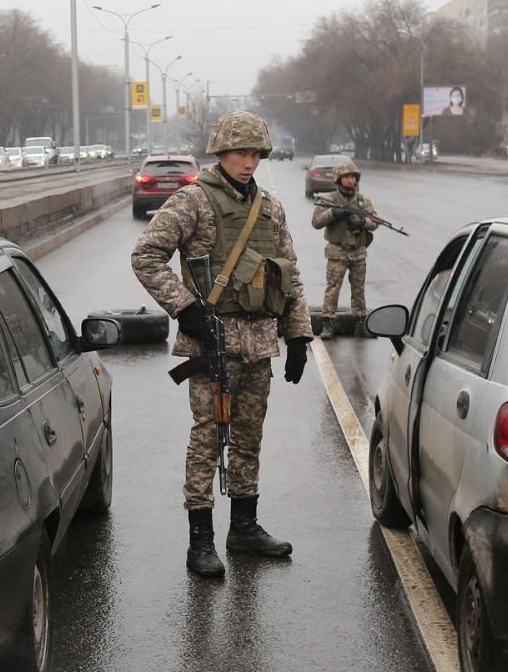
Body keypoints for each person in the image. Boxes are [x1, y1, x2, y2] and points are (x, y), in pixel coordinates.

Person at [131, 110, 313, 578]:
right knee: (207, 440)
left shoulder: (270, 207)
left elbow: (288, 273)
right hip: (210, 342)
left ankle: (245, 528)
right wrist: (185, 308)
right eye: (239, 153)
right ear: (221, 153)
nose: (248, 162)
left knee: (249, 439)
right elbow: (146, 256)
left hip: (258, 344)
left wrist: (297, 335)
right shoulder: (192, 201)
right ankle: (200, 541)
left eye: (254, 153)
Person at [310, 160, 379, 340]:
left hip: (358, 251)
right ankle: (328, 323)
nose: (350, 181)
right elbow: (316, 222)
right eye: (346, 177)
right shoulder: (329, 200)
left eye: (353, 177)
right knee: (333, 288)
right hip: (337, 251)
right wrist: (334, 214)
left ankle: (360, 323)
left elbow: (375, 222)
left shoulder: (363, 202)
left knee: (358, 288)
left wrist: (363, 222)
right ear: (339, 180)